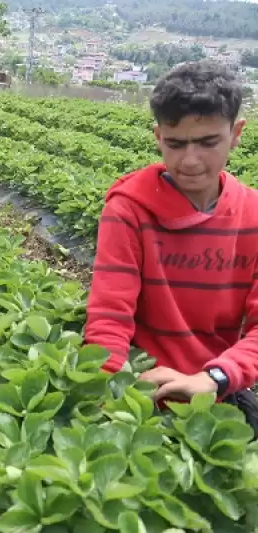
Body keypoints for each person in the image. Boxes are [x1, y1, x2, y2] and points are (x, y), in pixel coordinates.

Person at [84, 60, 258, 419]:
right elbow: (110, 316)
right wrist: (107, 394)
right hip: (139, 388)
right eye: (176, 144)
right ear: (158, 137)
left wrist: (213, 378)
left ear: (236, 133)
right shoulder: (129, 210)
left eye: (208, 142)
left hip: (214, 388)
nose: (190, 160)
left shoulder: (253, 216)